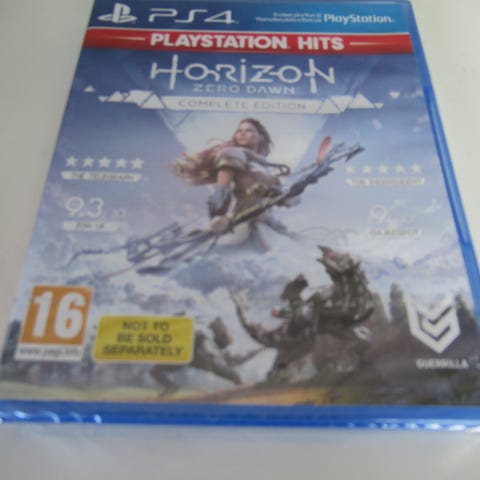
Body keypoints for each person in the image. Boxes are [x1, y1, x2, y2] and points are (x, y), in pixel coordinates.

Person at [172, 118, 292, 247]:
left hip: (267, 225)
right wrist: (218, 215)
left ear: (261, 137)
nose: (242, 133)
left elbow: (276, 195)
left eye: (249, 130)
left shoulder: (264, 165)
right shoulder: (233, 153)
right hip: (239, 225)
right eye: (239, 130)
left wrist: (288, 197)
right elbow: (222, 188)